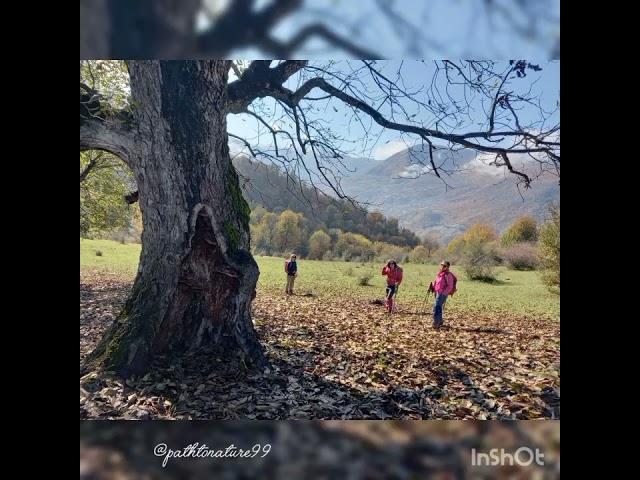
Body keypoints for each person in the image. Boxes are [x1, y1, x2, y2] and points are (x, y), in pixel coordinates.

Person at [431, 260, 457, 329]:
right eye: (441, 265)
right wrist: (433, 287)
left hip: (442, 294)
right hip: (437, 292)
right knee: (438, 307)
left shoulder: (448, 275)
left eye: (444, 266)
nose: (442, 267)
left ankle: (436, 323)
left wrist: (443, 293)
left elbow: (450, 286)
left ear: (447, 267)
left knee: (436, 307)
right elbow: (437, 282)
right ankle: (440, 321)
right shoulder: (440, 273)